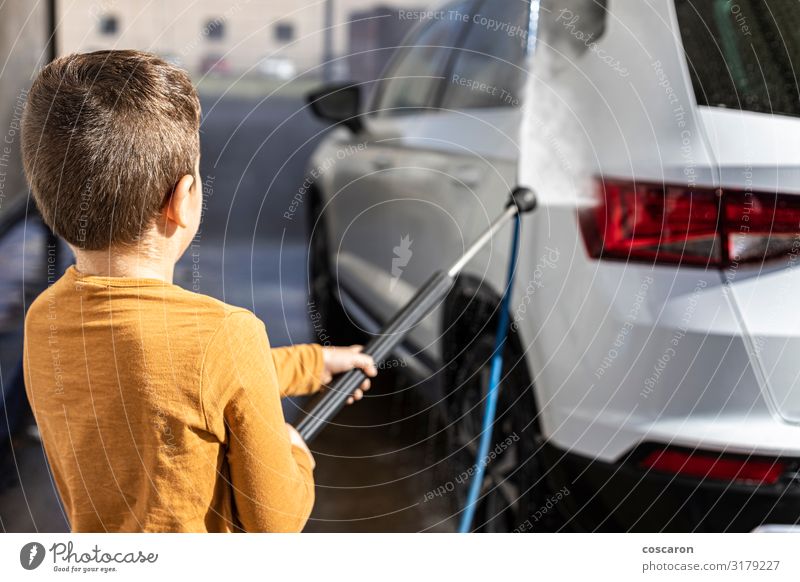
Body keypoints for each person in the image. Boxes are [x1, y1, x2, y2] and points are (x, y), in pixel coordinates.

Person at [20, 49, 377, 532]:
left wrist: (313, 364)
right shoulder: (227, 335)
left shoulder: (44, 319)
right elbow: (276, 524)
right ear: (183, 200)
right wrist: (294, 453)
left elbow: (179, 377)